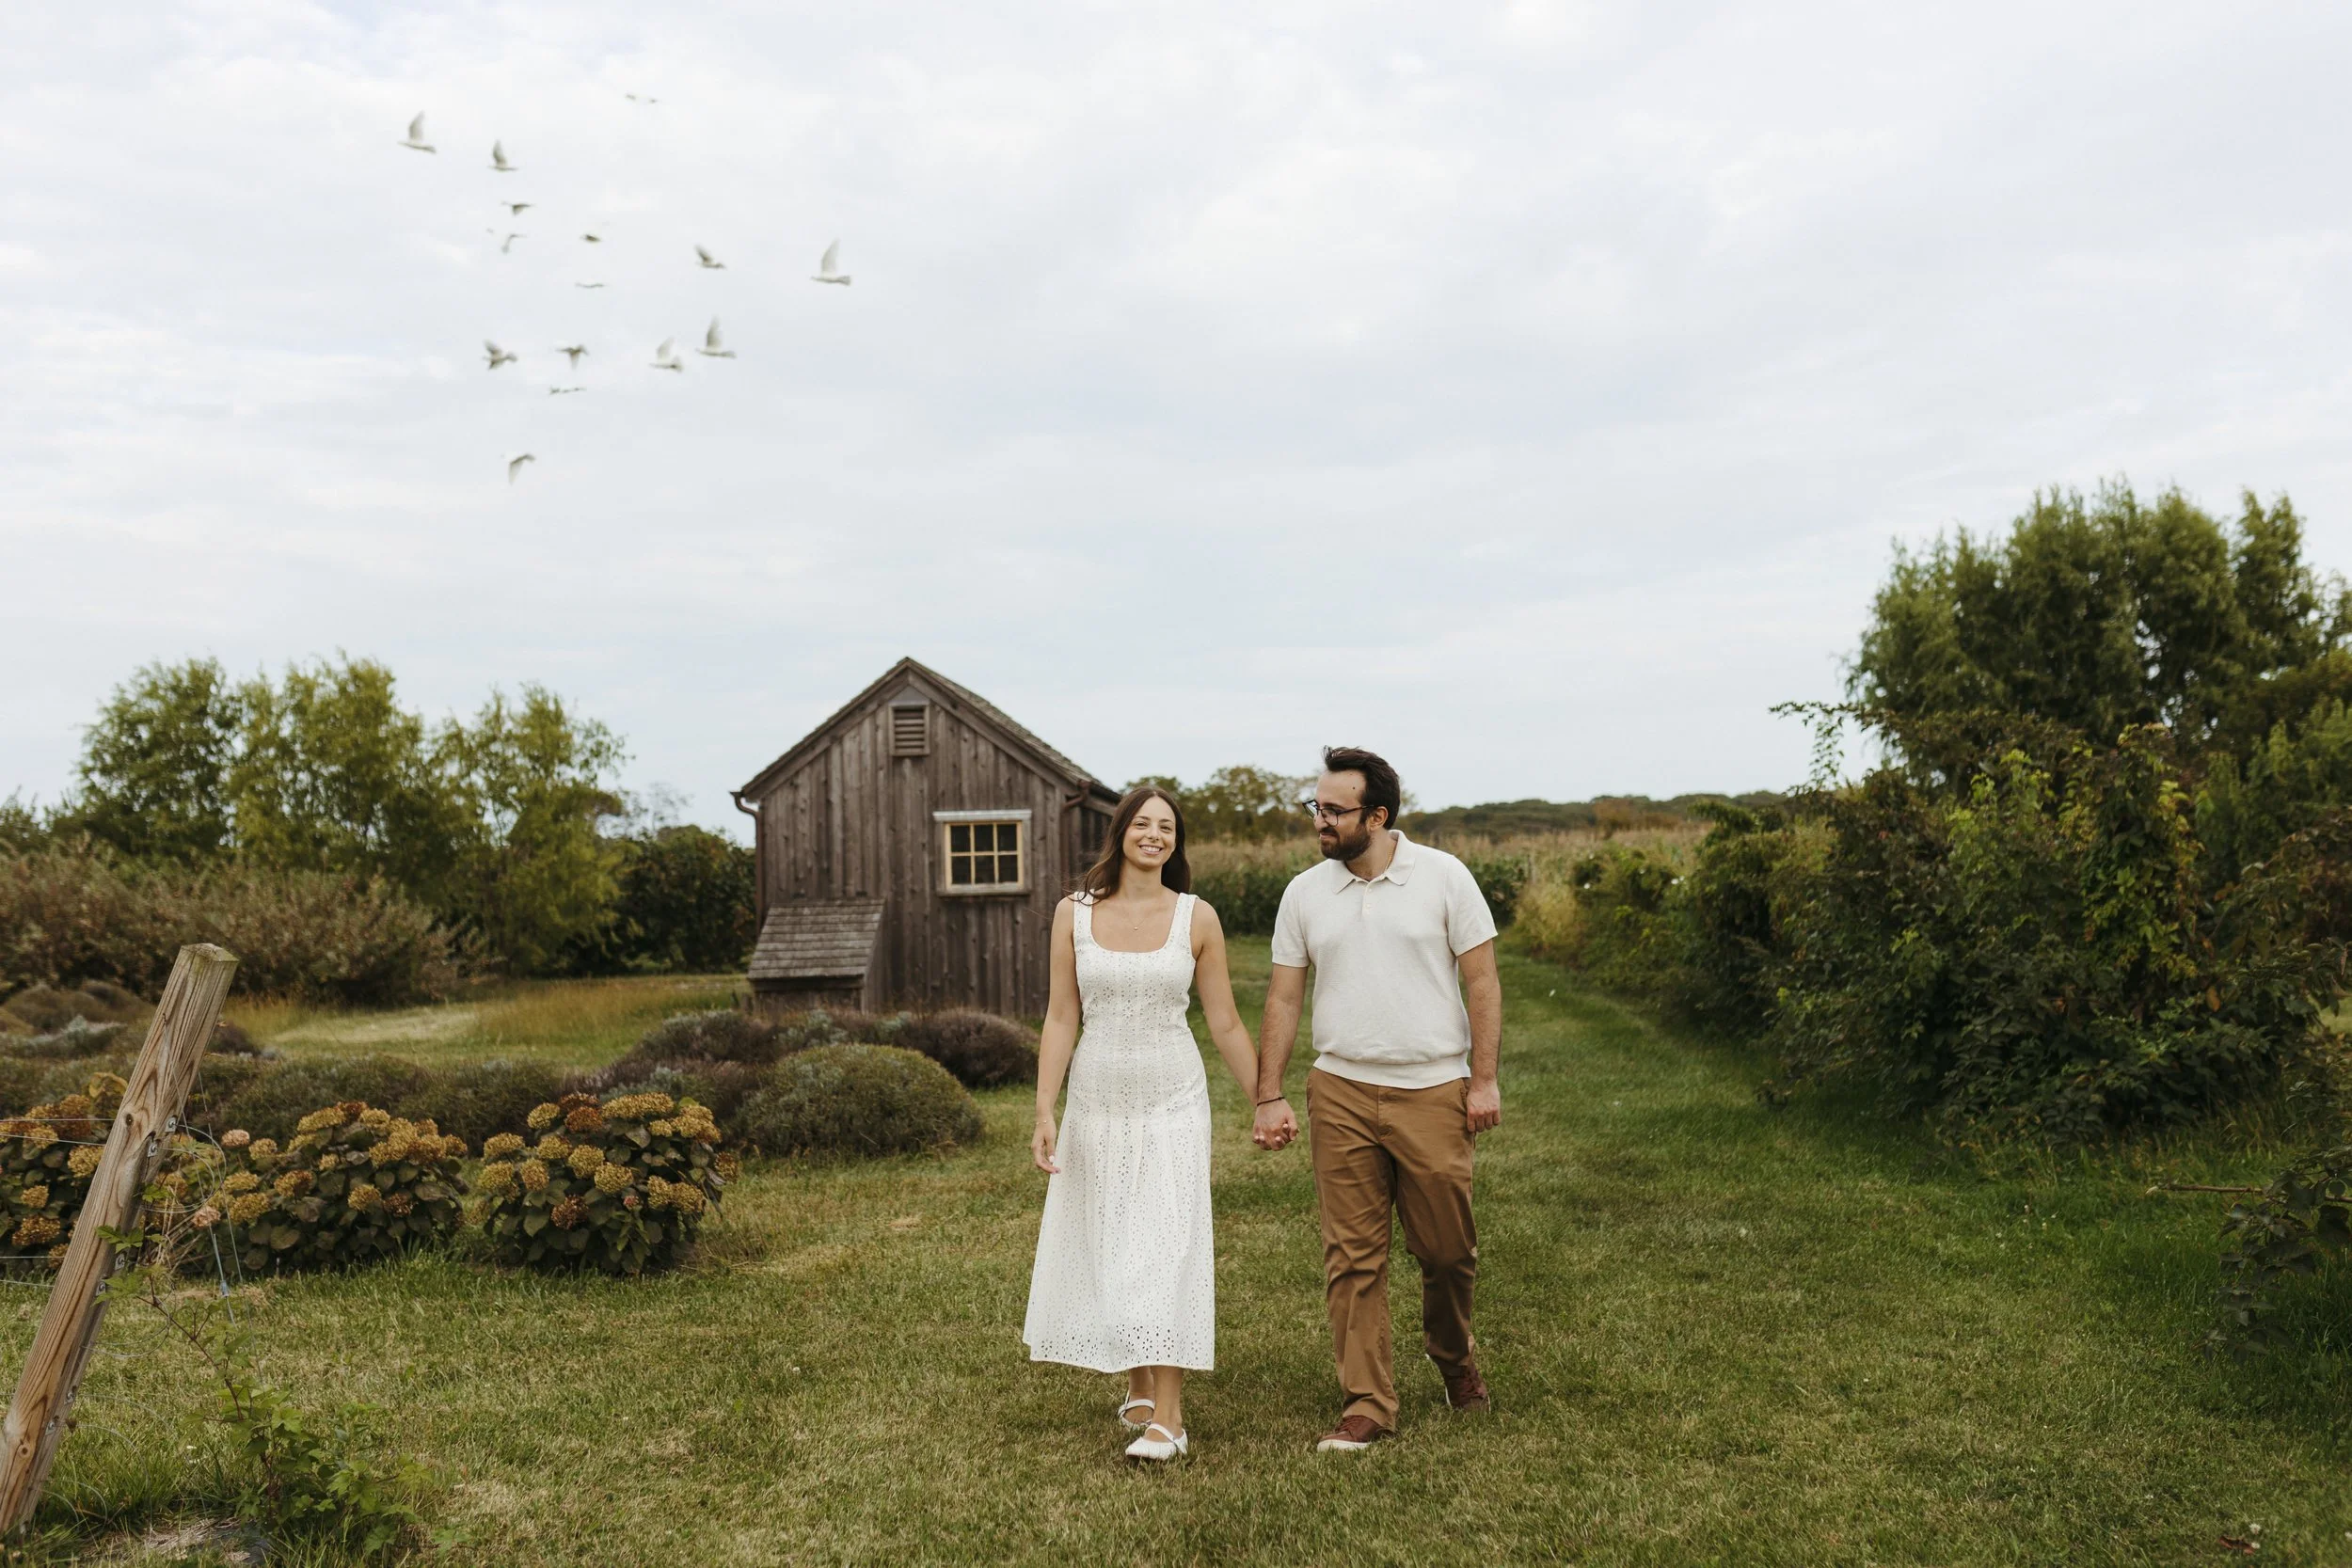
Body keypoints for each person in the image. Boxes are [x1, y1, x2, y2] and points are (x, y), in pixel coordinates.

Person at [1253, 745, 1503, 1452]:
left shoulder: (1445, 878)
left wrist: (1482, 1079)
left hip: (1433, 1087)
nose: (1320, 822)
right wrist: (1268, 1093)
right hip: (1341, 1089)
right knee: (1352, 1256)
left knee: (1447, 1250)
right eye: (1316, 807)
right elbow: (1282, 993)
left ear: (1378, 814)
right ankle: (1367, 1401)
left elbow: (1481, 981)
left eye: (1334, 810)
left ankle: (1455, 1360)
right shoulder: (1304, 892)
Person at [1025, 785, 1259, 1461]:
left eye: (1167, 827)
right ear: (1121, 831)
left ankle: (1171, 1420)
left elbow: (1224, 1021)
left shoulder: (1197, 917)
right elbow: (1061, 1015)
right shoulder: (1073, 914)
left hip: (1172, 1100)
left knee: (1163, 1242)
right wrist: (1045, 1107)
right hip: (1097, 1102)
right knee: (1112, 1238)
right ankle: (1138, 1379)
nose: (1155, 835)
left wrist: (1264, 1098)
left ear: (1175, 842)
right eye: (1143, 824)